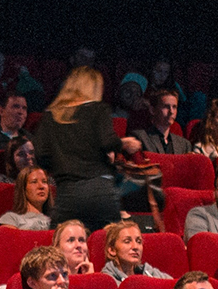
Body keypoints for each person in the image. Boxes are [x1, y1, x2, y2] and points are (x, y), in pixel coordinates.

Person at [32, 66, 141, 231]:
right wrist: (124, 143)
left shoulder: (51, 116)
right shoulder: (98, 110)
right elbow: (107, 142)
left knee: (60, 244)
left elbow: (41, 155)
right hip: (100, 190)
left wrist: (63, 164)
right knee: (108, 244)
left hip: (67, 191)